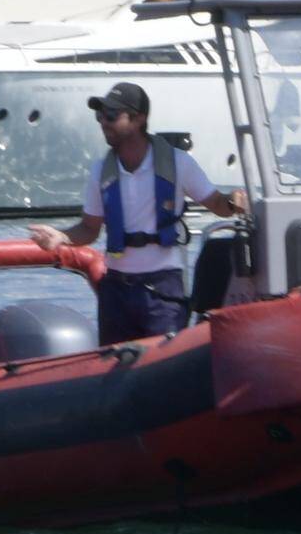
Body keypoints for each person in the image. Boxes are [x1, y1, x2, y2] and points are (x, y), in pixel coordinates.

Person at [48, 81, 238, 344]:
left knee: (163, 370)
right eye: (100, 116)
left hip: (162, 291)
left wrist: (235, 201)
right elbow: (89, 229)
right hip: (116, 290)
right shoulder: (100, 171)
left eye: (112, 116)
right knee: (115, 374)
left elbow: (218, 205)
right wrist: (60, 237)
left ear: (139, 119)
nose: (104, 122)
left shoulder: (178, 163)